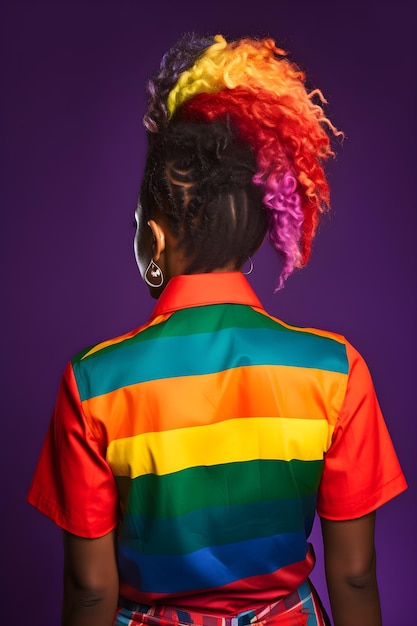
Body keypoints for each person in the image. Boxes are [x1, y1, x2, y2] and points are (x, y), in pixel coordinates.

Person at [27, 33, 407, 626]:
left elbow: (91, 592)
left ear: (153, 238)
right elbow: (355, 575)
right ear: (260, 232)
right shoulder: (336, 371)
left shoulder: (94, 381)